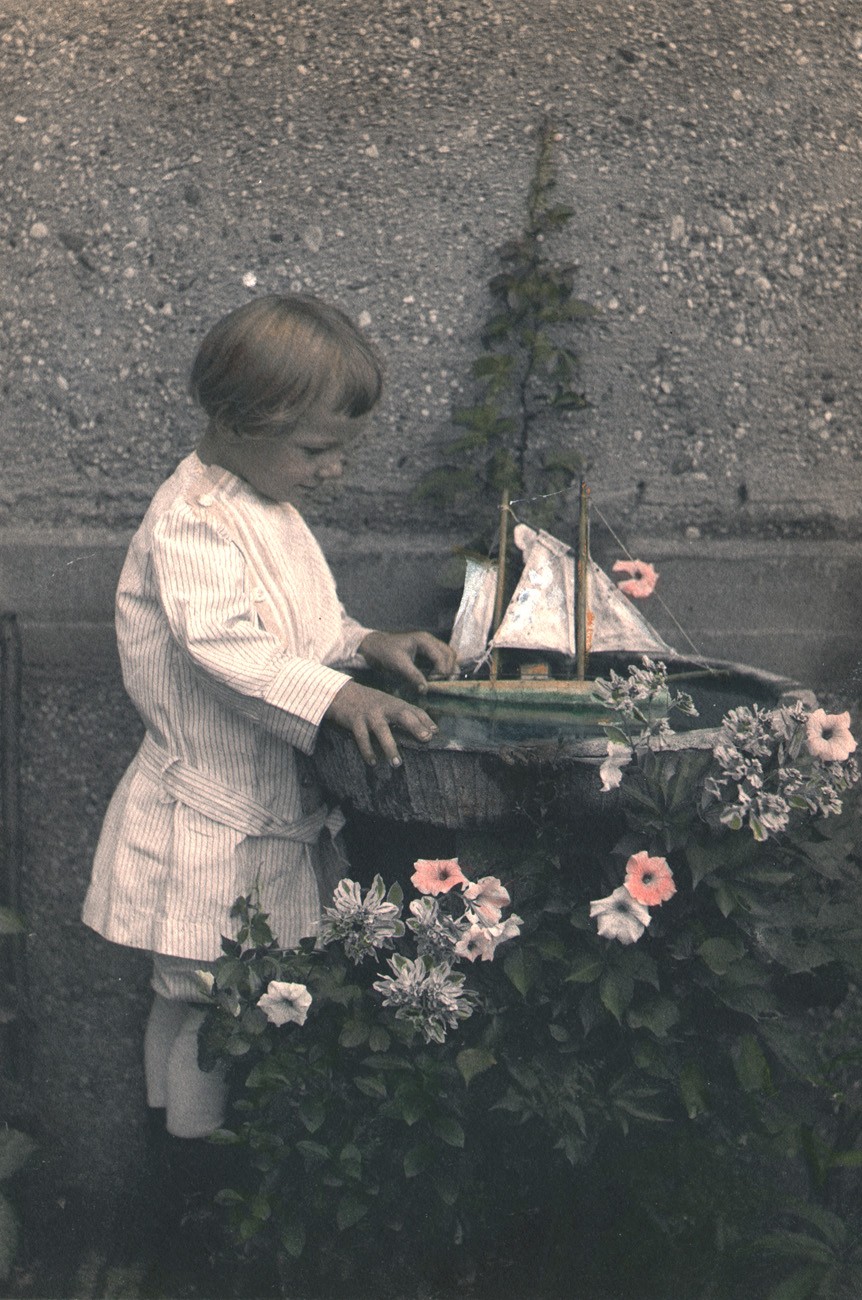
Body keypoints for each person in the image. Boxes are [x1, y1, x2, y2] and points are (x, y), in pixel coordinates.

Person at [82, 293, 458, 1149]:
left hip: (263, 812)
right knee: (208, 1005)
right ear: (242, 419)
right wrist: (341, 697)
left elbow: (304, 631)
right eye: (318, 449)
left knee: (222, 1001)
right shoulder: (192, 525)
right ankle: (187, 1178)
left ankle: (189, 1165)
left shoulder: (269, 512)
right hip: (210, 820)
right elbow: (231, 654)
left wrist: (367, 644)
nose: (333, 471)